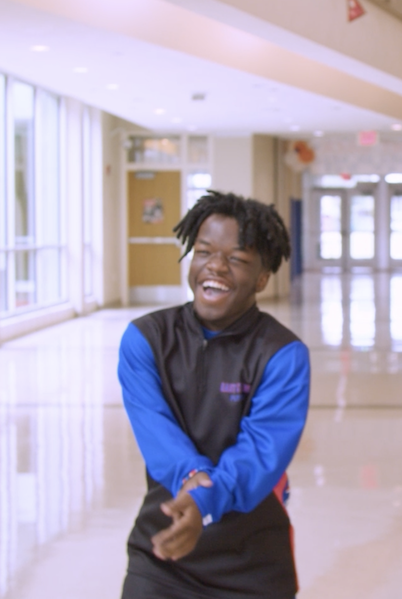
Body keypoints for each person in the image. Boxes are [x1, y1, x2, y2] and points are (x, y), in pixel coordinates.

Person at [118, 191, 310, 599]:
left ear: (261, 278)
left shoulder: (282, 354)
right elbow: (157, 434)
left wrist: (205, 498)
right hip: (162, 549)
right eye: (204, 252)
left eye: (237, 259)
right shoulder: (146, 339)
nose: (216, 266)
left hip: (252, 564)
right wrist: (192, 481)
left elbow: (261, 453)